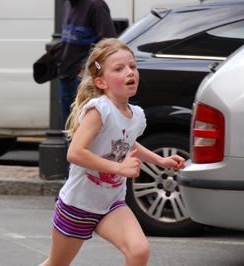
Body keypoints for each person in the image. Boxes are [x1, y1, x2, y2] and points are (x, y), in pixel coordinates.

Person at [39, 38, 186, 266]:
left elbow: (128, 143)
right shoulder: (100, 110)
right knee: (57, 264)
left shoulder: (136, 114)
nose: (130, 72)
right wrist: (119, 167)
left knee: (139, 252)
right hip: (78, 204)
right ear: (101, 82)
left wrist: (161, 160)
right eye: (119, 69)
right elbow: (75, 153)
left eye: (132, 66)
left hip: (111, 203)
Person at [58, 0, 117, 128]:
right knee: (69, 133)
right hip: (66, 77)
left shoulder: (96, 6)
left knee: (86, 135)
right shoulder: (68, 5)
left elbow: (109, 46)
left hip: (83, 80)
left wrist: (85, 71)